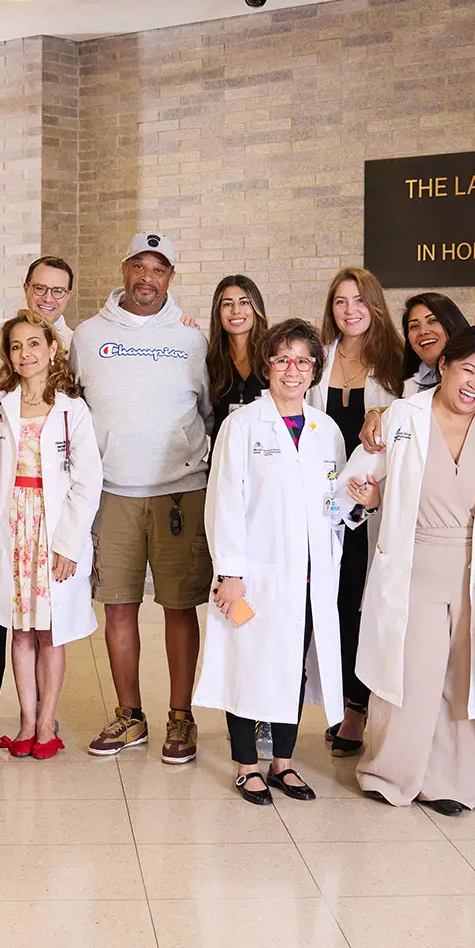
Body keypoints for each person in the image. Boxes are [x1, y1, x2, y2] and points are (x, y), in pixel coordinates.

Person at [199, 319, 365, 803]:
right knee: (249, 664)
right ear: (268, 365)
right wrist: (230, 572)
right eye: (282, 359)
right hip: (255, 576)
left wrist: (358, 503)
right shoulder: (243, 424)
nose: (292, 370)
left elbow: (332, 506)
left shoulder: (325, 429)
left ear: (315, 370)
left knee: (293, 667)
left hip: (311, 577)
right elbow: (226, 499)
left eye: (303, 361)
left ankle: (282, 764)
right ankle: (246, 765)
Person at [340, 326, 475, 812]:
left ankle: (452, 781)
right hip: (415, 567)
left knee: (463, 679)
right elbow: (350, 480)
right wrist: (369, 500)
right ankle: (391, 773)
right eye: (468, 369)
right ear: (445, 366)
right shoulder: (401, 416)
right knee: (412, 673)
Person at [74, 232, 212, 763]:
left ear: (171, 277)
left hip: (180, 491)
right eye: (139, 266)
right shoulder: (88, 335)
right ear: (124, 268)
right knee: (118, 607)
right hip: (112, 492)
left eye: (159, 269)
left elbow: (205, 407)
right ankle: (129, 715)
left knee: (179, 607)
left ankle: (181, 717)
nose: (147, 278)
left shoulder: (190, 337)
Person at [0, 310, 103, 758]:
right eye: (15, 346)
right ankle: (26, 722)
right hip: (12, 526)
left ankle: (48, 724)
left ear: (52, 350)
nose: (25, 354)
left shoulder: (72, 410)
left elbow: (88, 482)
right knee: (21, 631)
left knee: (51, 631)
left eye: (34, 344)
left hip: (53, 529)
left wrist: (70, 543)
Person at [308, 267, 411, 751]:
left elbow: (412, 425)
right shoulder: (317, 358)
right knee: (326, 601)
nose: (350, 311)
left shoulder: (396, 361)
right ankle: (324, 699)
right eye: (340, 302)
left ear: (375, 305)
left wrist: (382, 412)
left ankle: (356, 709)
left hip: (370, 503)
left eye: (359, 301)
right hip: (320, 500)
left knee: (360, 603)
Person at [0, 256, 77, 403]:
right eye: (40, 288)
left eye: (58, 291)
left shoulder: (75, 345)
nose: (48, 299)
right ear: (26, 289)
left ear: (68, 296)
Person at [205, 274, 268, 437]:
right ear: (218, 312)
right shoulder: (210, 361)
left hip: (265, 458)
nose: (236, 311)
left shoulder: (273, 357)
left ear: (256, 308)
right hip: (223, 459)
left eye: (244, 302)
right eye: (227, 304)